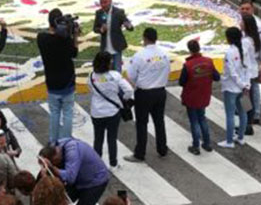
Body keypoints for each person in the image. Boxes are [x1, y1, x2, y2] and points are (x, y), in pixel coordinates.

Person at [124, 28, 170, 163]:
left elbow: (131, 75)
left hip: (144, 93)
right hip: (160, 91)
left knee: (142, 124)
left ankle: (140, 153)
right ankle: (162, 149)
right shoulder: (164, 54)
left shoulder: (139, 55)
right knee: (159, 122)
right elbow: (168, 70)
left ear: (145, 38)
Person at [37, 9, 79, 145]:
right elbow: (74, 53)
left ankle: (52, 141)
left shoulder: (41, 38)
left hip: (52, 83)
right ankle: (65, 142)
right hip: (67, 82)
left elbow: (48, 35)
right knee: (67, 113)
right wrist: (74, 35)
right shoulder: (65, 40)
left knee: (54, 114)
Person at [38, 138, 109, 205]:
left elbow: (70, 178)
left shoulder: (72, 153)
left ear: (55, 158)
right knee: (59, 203)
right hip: (78, 178)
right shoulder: (55, 146)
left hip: (95, 182)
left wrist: (52, 168)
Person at [87, 52, 134, 169]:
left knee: (98, 139)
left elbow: (91, 90)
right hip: (113, 111)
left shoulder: (91, 76)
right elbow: (129, 90)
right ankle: (113, 163)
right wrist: (123, 100)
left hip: (96, 112)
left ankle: (97, 164)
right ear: (108, 63)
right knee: (112, 139)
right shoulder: (115, 75)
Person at [179, 40, 220, 155]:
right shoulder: (209, 62)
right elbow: (216, 77)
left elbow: (182, 82)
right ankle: (207, 143)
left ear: (189, 50)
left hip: (191, 97)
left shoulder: (188, 65)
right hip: (204, 95)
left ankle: (195, 145)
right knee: (202, 118)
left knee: (194, 121)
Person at [218, 27, 250, 149]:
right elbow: (248, 69)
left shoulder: (229, 52)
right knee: (243, 112)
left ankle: (229, 140)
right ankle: (241, 137)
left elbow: (232, 72)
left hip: (231, 88)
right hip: (243, 88)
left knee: (230, 114)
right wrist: (246, 84)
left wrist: (242, 84)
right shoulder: (244, 50)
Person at [93, 0, 133, 72]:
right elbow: (95, 28)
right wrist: (100, 30)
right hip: (105, 47)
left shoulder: (119, 12)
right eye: (101, 2)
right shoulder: (99, 13)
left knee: (117, 69)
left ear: (110, 1)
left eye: (105, 2)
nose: (103, 5)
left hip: (116, 46)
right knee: (106, 70)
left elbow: (129, 26)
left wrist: (128, 26)